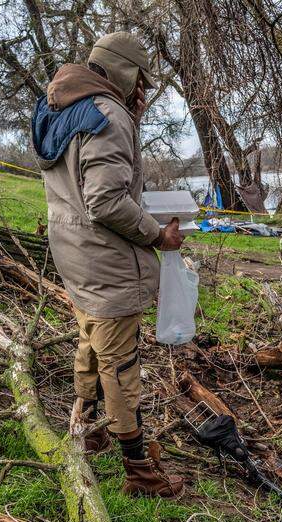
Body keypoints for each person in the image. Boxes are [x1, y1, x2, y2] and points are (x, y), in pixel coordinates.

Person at [31, 32, 184, 498]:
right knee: (121, 362)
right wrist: (159, 234)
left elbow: (81, 191)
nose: (142, 90)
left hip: (74, 252)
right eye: (140, 78)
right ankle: (139, 470)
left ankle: (86, 426)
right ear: (122, 70)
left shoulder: (56, 105)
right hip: (107, 259)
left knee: (92, 341)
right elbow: (104, 200)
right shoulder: (108, 114)